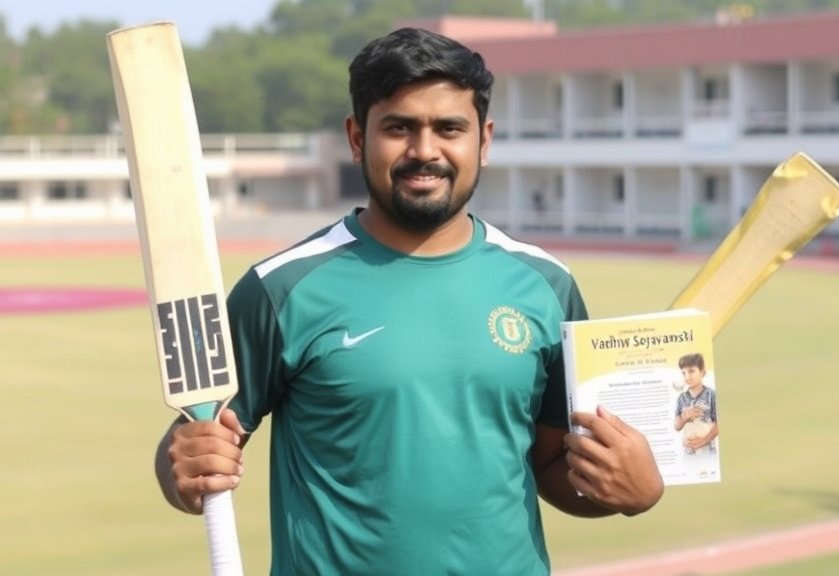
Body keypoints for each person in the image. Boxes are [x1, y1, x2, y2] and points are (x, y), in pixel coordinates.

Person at [153, 28, 663, 575]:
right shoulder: (278, 289)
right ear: (357, 138)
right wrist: (178, 466)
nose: (425, 151)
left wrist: (635, 491)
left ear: (484, 141)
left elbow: (552, 467)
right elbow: (194, 444)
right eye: (399, 127)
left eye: (449, 128)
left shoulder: (546, 284)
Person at [673, 353, 718, 456]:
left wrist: (702, 441)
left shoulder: (712, 395)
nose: (687, 376)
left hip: (707, 451)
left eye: (691, 371)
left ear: (702, 373)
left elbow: (719, 424)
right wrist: (684, 418)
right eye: (683, 373)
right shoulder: (681, 398)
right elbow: (676, 426)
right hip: (688, 453)